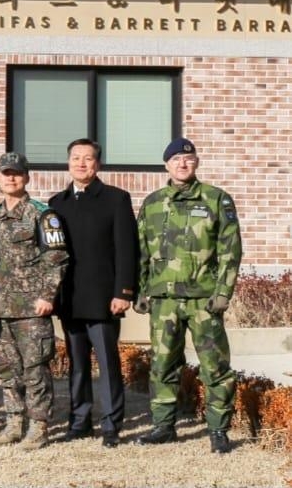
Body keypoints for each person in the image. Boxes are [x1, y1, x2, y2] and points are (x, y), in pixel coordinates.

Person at [135, 138, 242, 454]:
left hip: (203, 301)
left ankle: (218, 430)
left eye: (188, 158)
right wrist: (141, 289)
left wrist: (223, 292)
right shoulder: (153, 203)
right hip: (164, 300)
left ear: (196, 163)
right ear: (166, 165)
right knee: (163, 364)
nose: (182, 164)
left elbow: (230, 251)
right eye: (176, 159)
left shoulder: (216, 200)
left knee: (215, 366)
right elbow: (141, 251)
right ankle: (163, 426)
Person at [48, 139, 138, 448]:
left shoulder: (116, 199)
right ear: (68, 162)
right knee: (77, 364)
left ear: (97, 164)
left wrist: (124, 291)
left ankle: (111, 424)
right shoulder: (56, 203)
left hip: (104, 299)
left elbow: (128, 250)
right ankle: (79, 421)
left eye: (88, 159)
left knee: (108, 364)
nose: (81, 164)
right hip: (70, 298)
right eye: (76, 158)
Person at [0, 152, 68, 450]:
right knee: (7, 369)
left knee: (35, 369)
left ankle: (38, 426)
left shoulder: (43, 215)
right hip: (1, 308)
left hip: (32, 309)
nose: (11, 178)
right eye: (6, 173)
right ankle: (13, 422)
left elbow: (57, 257)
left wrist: (47, 296)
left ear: (27, 177)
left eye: (17, 173)